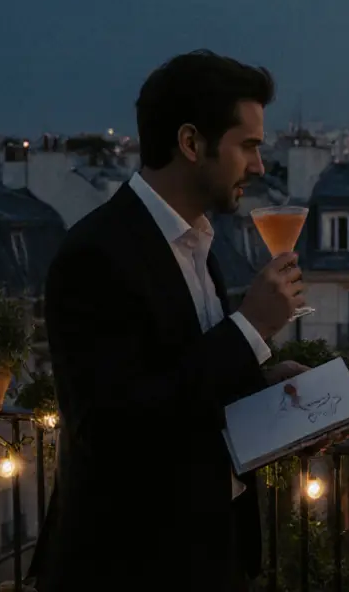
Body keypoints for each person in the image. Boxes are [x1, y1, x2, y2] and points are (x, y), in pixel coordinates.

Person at [30, 50, 310, 591]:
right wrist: (250, 329)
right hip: (133, 564)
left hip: (209, 551)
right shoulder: (95, 254)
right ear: (190, 143)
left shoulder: (197, 244)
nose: (258, 166)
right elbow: (112, 429)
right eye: (247, 146)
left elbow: (184, 381)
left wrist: (270, 391)